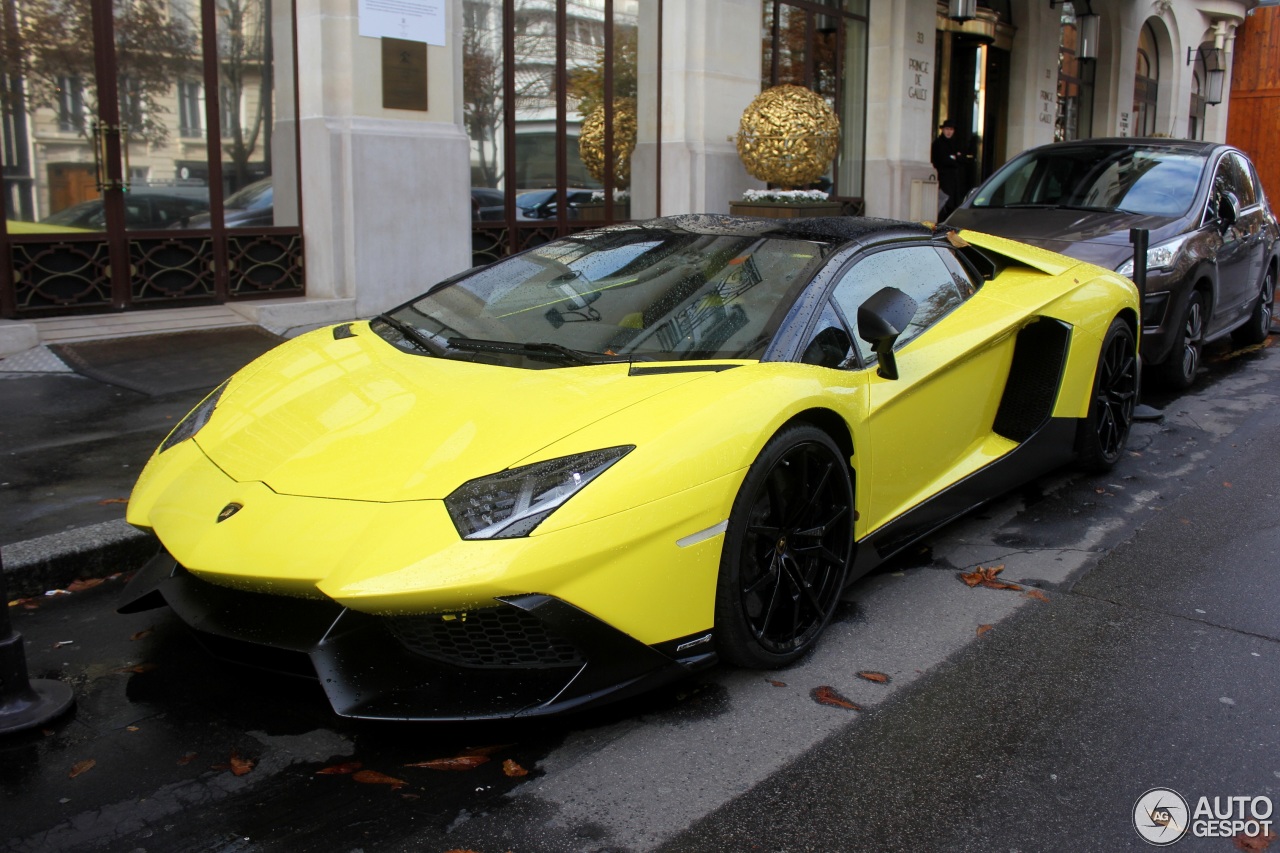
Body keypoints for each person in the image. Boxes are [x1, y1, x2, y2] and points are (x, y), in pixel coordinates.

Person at [931, 119, 969, 219]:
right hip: (944, 180)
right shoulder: (938, 144)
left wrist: (955, 158)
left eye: (951, 129)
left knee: (954, 206)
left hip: (956, 182)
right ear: (943, 130)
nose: (949, 132)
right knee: (944, 205)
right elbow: (942, 160)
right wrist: (956, 158)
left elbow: (964, 159)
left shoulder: (957, 143)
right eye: (947, 129)